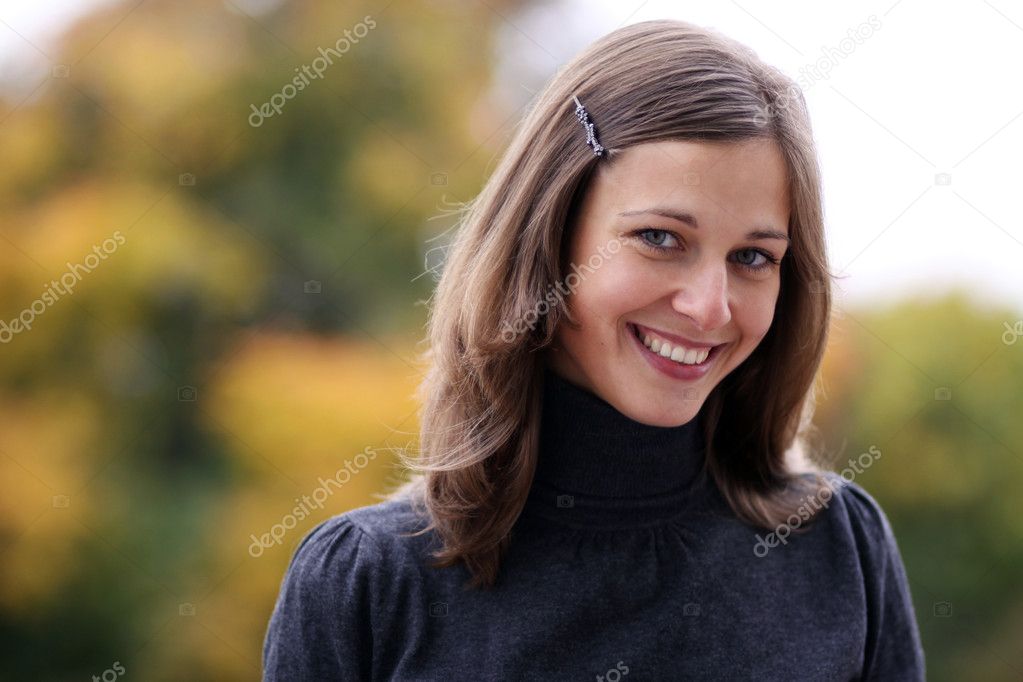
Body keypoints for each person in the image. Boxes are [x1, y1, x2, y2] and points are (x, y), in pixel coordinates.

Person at [262, 18, 926, 681]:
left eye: (752, 256)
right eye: (660, 238)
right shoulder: (368, 585)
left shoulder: (837, 547)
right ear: (549, 236)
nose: (709, 306)